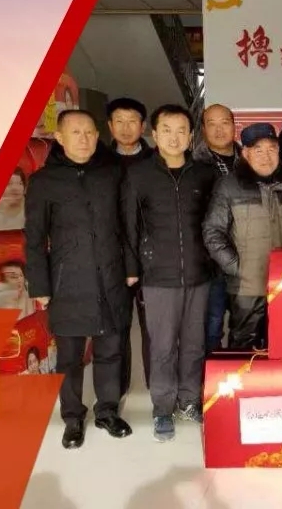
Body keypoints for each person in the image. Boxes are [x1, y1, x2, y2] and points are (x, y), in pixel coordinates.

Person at [24, 109, 133, 449]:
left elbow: (127, 225)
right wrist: (40, 286)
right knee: (69, 358)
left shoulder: (112, 173)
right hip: (67, 282)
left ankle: (107, 411)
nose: (84, 139)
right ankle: (72, 418)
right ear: (59, 137)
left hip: (111, 277)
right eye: (75, 132)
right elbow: (34, 238)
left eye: (89, 132)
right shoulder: (44, 181)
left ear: (98, 136)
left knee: (111, 350)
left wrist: (131, 269)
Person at [121, 104, 217, 442]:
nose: (174, 138)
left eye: (181, 131)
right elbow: (129, 226)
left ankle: (189, 400)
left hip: (199, 273)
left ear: (191, 136)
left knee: (194, 344)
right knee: (162, 346)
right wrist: (132, 268)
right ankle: (162, 407)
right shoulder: (139, 175)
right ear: (154, 134)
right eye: (166, 130)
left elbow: (214, 223)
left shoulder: (204, 174)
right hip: (158, 275)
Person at [203, 123, 282, 351]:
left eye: (271, 149)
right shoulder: (229, 186)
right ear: (245, 153)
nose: (266, 156)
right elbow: (212, 231)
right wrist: (237, 268)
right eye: (258, 150)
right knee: (244, 351)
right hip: (247, 289)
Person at [106, 96, 154, 396]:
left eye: (132, 121)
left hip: (150, 257)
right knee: (116, 327)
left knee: (153, 327)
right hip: (112, 256)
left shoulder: (157, 160)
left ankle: (156, 386)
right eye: (119, 122)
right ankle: (117, 388)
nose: (126, 128)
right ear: (110, 126)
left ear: (143, 126)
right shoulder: (98, 163)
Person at [194, 104, 239, 352]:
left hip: (246, 257)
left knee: (246, 324)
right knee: (211, 324)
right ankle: (210, 371)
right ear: (203, 129)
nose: (219, 130)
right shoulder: (193, 165)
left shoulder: (251, 159)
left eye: (225, 123)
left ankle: (240, 370)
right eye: (212, 124)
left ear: (234, 126)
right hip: (210, 261)